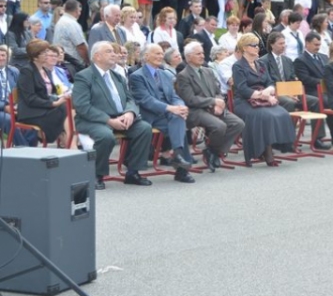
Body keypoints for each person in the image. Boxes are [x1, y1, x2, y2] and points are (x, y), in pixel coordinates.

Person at [73, 41, 153, 189]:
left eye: (114, 51)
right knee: (105, 136)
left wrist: (130, 113)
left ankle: (133, 172)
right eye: (109, 51)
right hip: (94, 120)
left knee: (144, 128)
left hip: (121, 117)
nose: (114, 54)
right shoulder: (84, 76)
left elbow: (130, 99)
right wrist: (109, 120)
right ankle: (97, 174)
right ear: (97, 56)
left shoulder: (118, 77)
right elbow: (82, 106)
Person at [129, 44, 195, 184]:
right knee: (178, 121)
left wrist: (180, 106)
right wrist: (170, 108)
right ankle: (181, 168)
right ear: (146, 56)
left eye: (161, 54)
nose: (160, 56)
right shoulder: (136, 76)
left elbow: (174, 96)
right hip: (150, 115)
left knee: (179, 118)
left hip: (168, 113)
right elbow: (146, 100)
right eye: (156, 53)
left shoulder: (165, 74)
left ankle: (178, 158)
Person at [175, 42, 245, 171]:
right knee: (220, 126)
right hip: (196, 111)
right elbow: (190, 99)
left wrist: (218, 102)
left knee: (238, 123)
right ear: (189, 57)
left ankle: (213, 151)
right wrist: (213, 102)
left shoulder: (208, 71)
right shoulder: (183, 75)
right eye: (198, 54)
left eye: (202, 53)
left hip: (214, 107)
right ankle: (214, 152)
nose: (202, 56)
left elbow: (217, 91)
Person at [232, 33, 296, 166]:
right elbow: (242, 89)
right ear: (244, 48)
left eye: (258, 45)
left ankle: (279, 145)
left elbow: (270, 82)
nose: (257, 48)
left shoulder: (261, 64)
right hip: (244, 101)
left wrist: (269, 93)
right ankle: (267, 153)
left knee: (282, 113)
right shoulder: (238, 66)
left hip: (263, 99)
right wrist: (263, 95)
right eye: (253, 45)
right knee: (265, 116)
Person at [0, 45, 38, 146]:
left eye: (3, 55)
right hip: (2, 110)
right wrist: (5, 106)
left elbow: (21, 90)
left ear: (8, 58)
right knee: (8, 120)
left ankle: (28, 147)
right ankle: (24, 148)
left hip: (15, 106)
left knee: (33, 115)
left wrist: (19, 105)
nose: (1, 58)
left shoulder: (14, 71)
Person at [52, 0, 89, 72]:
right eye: (80, 11)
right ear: (77, 11)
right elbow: (81, 47)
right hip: (73, 64)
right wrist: (88, 61)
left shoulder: (61, 21)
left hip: (62, 62)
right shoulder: (72, 24)